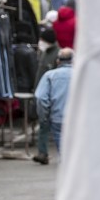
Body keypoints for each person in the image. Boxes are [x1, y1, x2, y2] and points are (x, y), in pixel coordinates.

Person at [34, 48, 74, 156]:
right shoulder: (82, 75)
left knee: (64, 152)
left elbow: (41, 98)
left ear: (58, 61)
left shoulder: (49, 76)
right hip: (79, 119)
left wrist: (44, 117)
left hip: (58, 118)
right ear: (73, 61)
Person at [33, 28, 60, 165]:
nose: (40, 42)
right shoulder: (44, 53)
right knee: (43, 124)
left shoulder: (57, 54)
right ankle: (42, 153)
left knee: (56, 126)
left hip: (53, 95)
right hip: (42, 92)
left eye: (42, 39)